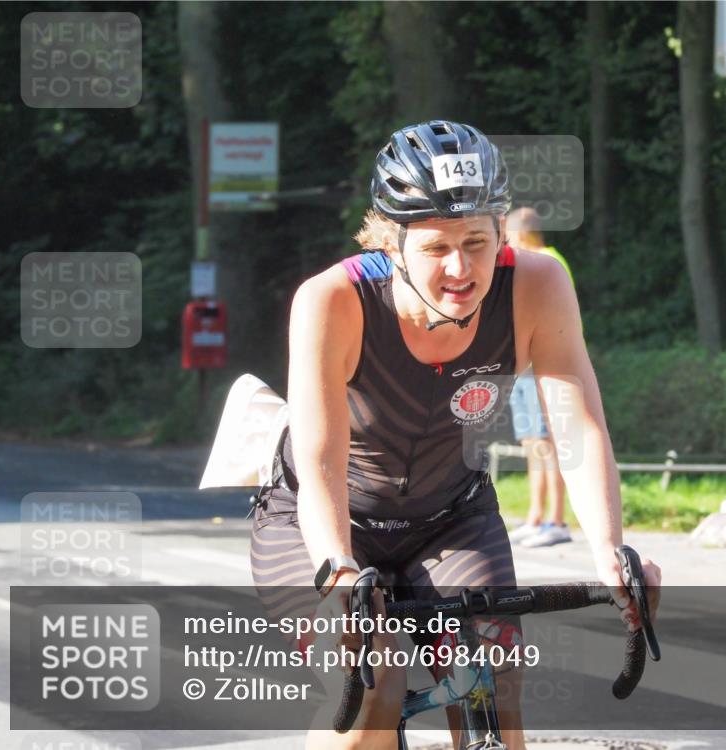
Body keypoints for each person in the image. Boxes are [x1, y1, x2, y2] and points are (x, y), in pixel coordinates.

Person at [249, 120, 661, 750]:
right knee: (372, 690)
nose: (460, 268)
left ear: (502, 231)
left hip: (450, 517)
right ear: (391, 242)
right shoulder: (332, 301)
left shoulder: (538, 283)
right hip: (325, 518)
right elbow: (322, 461)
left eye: (476, 241)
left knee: (492, 685)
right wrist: (338, 576)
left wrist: (609, 551)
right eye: (435, 247)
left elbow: (576, 421)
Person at [505, 207, 574, 548]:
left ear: (518, 235)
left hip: (545, 365)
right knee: (533, 443)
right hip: (525, 366)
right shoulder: (531, 263)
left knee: (548, 444)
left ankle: (556, 520)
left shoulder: (547, 263)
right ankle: (536, 516)